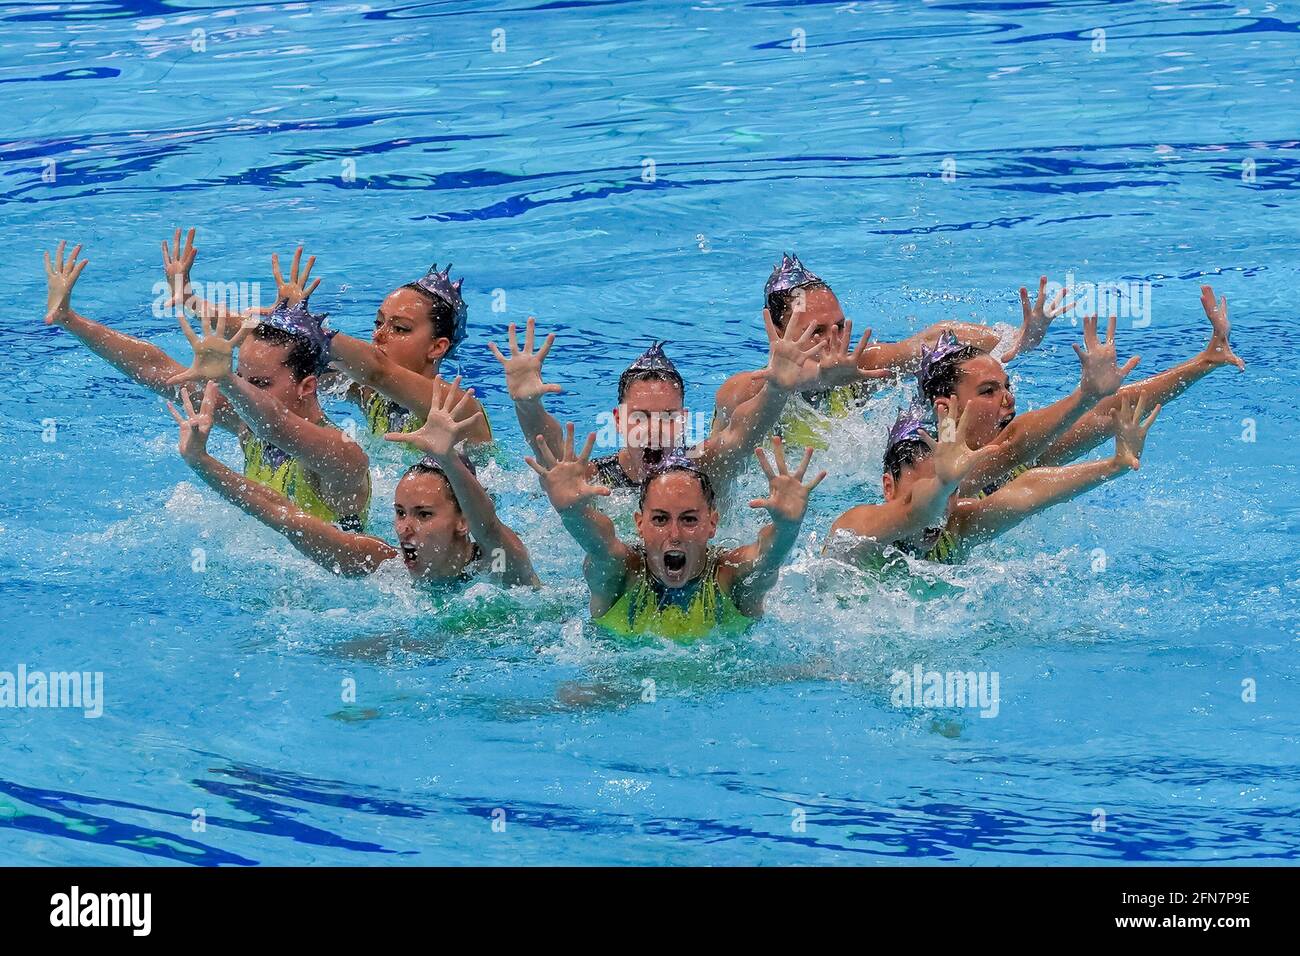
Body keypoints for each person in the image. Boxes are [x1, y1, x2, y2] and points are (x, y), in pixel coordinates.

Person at [44, 240, 370, 529]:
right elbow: (157, 369)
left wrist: (226, 379)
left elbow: (276, 425)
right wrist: (70, 320)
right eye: (242, 378)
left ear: (307, 386)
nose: (245, 392)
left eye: (260, 382)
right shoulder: (248, 424)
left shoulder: (341, 453)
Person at [167, 379, 538, 586]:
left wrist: (448, 460)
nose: (405, 529)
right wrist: (200, 461)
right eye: (400, 513)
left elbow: (487, 525)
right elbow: (281, 514)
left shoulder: (500, 566)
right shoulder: (383, 564)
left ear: (462, 521)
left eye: (424, 515)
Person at [161, 229, 491, 448]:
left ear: (438, 347)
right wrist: (191, 300)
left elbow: (377, 369)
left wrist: (299, 323)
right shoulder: (366, 393)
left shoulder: (460, 409)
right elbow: (283, 349)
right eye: (378, 323)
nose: (380, 335)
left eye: (400, 328)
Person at [710, 255, 1077, 446]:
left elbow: (938, 336)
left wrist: (1019, 338)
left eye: (839, 327)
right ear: (777, 331)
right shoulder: (744, 389)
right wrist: (813, 378)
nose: (834, 341)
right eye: (815, 331)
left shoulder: (858, 370)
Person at [490, 314, 858, 498]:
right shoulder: (593, 480)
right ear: (618, 421)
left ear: (683, 421)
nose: (653, 429)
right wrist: (526, 405)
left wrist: (777, 389)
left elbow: (743, 433)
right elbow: (551, 449)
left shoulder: (707, 466)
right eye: (641, 417)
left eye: (666, 418)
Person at [526, 425, 824, 640]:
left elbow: (766, 558)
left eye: (689, 519)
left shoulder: (729, 576)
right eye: (659, 519)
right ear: (639, 524)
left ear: (712, 524)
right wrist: (571, 511)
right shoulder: (621, 575)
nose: (675, 533)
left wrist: (788, 525)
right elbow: (600, 543)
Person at [825, 394, 1160, 568]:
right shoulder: (859, 527)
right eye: (930, 487)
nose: (943, 508)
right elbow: (917, 512)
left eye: (954, 490)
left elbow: (1027, 492)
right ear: (889, 487)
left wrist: (1113, 466)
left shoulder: (956, 526)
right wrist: (943, 484)